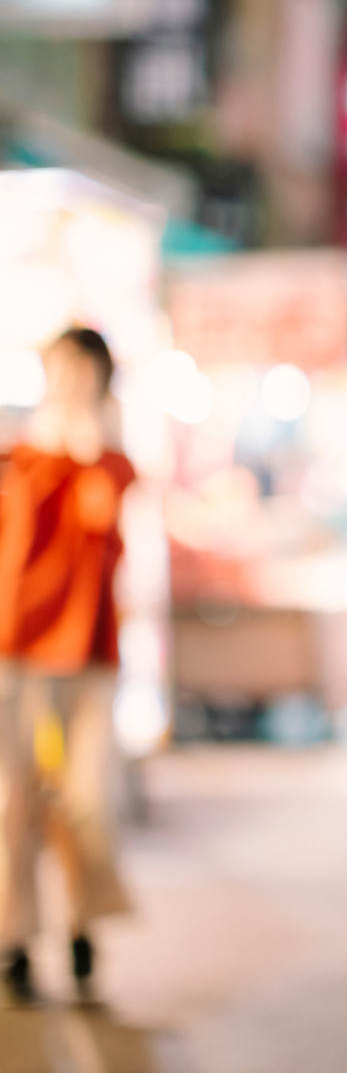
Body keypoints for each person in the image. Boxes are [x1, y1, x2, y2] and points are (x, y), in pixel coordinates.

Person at [0, 328, 137, 1004]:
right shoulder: (18, 454)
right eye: (62, 368)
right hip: (17, 650)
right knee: (12, 800)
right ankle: (14, 937)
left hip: (89, 654)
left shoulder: (107, 460)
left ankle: (83, 924)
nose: (71, 380)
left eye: (85, 370)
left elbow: (102, 520)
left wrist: (85, 446)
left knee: (87, 799)